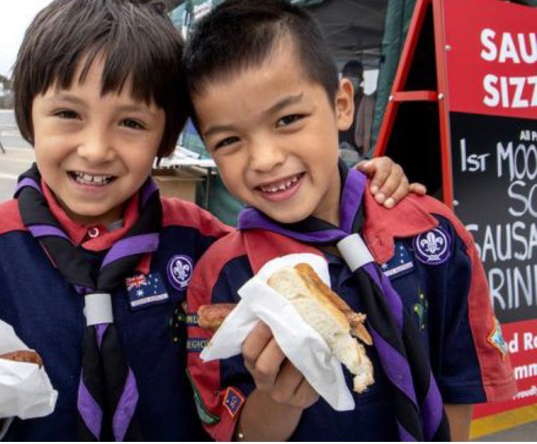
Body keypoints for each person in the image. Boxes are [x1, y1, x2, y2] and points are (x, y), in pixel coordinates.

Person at [0, 0, 419, 441]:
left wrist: (368, 186)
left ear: (165, 138)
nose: (96, 148)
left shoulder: (203, 241)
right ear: (27, 116)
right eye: (67, 114)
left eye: (131, 123)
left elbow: (301, 249)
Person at [182, 0, 516, 441]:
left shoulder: (431, 232)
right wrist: (279, 399)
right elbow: (235, 431)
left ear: (342, 104)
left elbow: (459, 378)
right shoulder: (222, 277)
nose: (265, 159)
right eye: (229, 141)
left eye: (288, 119)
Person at [339, 60, 376, 156]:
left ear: (361, 80)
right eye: (346, 75)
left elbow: (367, 134)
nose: (349, 79)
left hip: (357, 153)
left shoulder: (367, 102)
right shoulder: (336, 100)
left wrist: (366, 156)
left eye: (353, 76)